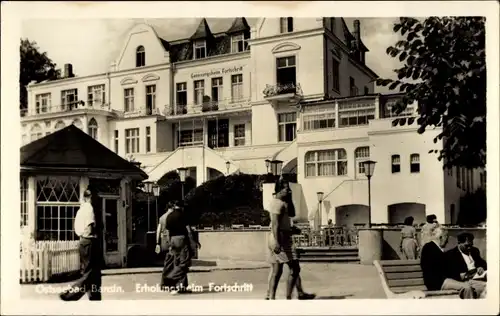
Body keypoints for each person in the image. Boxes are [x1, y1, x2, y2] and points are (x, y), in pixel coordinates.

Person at [265, 178, 314, 300]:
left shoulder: (281, 203)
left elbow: (288, 217)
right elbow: (275, 224)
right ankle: (288, 297)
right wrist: (277, 242)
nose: (288, 190)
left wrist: (292, 229)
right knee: (294, 268)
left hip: (281, 237)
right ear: (279, 190)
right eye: (286, 188)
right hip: (281, 239)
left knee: (278, 270)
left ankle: (272, 297)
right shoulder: (277, 203)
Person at [420, 225, 484, 299]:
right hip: (438, 283)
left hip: (445, 280)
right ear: (441, 237)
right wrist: (458, 276)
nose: (447, 241)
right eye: (446, 237)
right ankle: (468, 308)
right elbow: (437, 271)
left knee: (482, 286)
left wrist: (459, 276)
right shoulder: (429, 248)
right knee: (467, 287)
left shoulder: (436, 249)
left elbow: (444, 268)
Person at [60, 189, 102, 301]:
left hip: (82, 241)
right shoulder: (89, 209)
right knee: (90, 274)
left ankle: (95, 299)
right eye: (96, 197)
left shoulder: (80, 210)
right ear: (91, 197)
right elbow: (89, 228)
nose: (97, 199)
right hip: (89, 242)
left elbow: (77, 228)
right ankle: (69, 295)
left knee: (95, 275)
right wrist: (95, 235)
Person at [161, 200, 200, 295]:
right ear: (182, 207)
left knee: (176, 262)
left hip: (173, 240)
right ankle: (171, 277)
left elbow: (168, 232)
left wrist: (170, 243)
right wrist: (194, 241)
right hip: (181, 239)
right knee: (184, 263)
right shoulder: (182, 215)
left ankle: (181, 286)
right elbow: (189, 230)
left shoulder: (169, 216)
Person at [444, 232, 487, 297]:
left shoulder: (474, 250)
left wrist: (481, 267)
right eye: (467, 246)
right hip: (465, 281)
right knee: (486, 287)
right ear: (459, 242)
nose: (469, 248)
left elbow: (483, 263)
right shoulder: (451, 255)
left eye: (471, 245)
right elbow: (450, 273)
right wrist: (463, 275)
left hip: (478, 278)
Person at [155, 203, 175, 289]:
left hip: (163, 242)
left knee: (168, 262)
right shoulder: (172, 217)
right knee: (171, 263)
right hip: (171, 241)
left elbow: (158, 231)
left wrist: (157, 243)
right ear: (172, 207)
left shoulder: (162, 217)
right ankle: (166, 283)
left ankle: (166, 283)